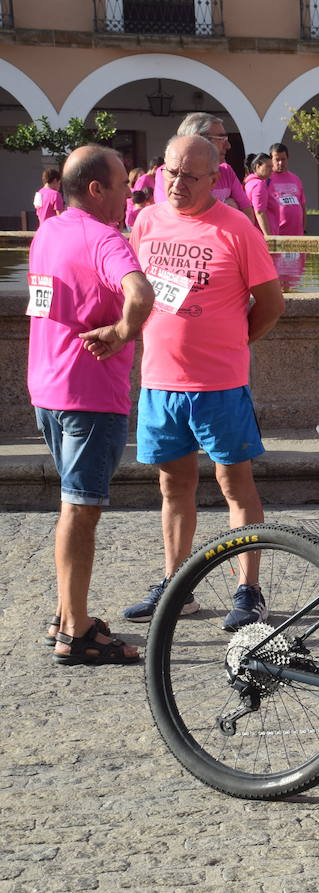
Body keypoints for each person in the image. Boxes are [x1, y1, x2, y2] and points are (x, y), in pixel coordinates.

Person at [121, 135, 285, 630]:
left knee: (235, 484)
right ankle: (177, 585)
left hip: (219, 384)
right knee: (174, 486)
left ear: (215, 179)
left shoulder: (236, 228)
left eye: (190, 176)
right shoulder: (146, 220)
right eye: (170, 171)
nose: (176, 182)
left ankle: (248, 590)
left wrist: (234, 343)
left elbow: (272, 304)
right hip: (160, 381)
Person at [28, 145, 154, 664]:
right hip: (90, 396)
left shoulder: (48, 231)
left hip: (48, 388)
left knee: (71, 506)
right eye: (124, 184)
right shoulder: (105, 238)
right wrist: (125, 330)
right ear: (97, 188)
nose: (130, 192)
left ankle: (65, 613)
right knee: (79, 512)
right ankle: (76, 633)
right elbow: (140, 293)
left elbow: (42, 303)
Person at [152, 112, 253, 221]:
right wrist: (228, 206)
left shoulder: (226, 171)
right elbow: (174, 218)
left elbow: (247, 216)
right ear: (199, 140)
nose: (228, 146)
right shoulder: (167, 173)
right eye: (221, 139)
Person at [268, 143, 307, 236]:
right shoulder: (266, 180)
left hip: (297, 235)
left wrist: (303, 229)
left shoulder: (295, 179)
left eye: (283, 159)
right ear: (270, 160)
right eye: (277, 160)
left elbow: (303, 206)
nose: (280, 163)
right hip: (277, 235)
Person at [243, 153, 279, 236]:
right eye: (268, 166)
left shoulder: (249, 183)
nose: (272, 169)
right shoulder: (259, 184)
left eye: (272, 166)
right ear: (258, 166)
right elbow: (259, 212)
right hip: (262, 235)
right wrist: (268, 237)